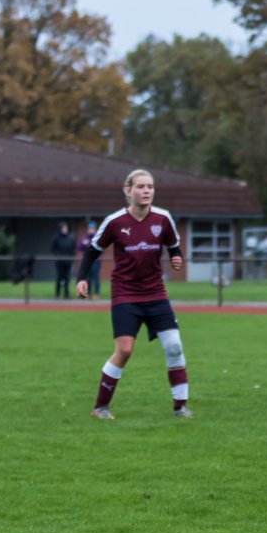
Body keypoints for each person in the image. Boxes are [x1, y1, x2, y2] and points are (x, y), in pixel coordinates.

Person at [76, 169, 192, 420]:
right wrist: (82, 278)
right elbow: (92, 251)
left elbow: (175, 248)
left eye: (150, 186)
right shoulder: (115, 222)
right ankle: (100, 408)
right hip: (125, 294)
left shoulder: (163, 218)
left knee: (174, 346)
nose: (146, 191)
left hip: (155, 293)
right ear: (128, 191)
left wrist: (176, 258)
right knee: (125, 350)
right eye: (140, 186)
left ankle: (180, 407)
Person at [51, 221, 76, 299]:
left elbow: (73, 248)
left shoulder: (70, 237)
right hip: (59, 262)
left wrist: (71, 257)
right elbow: (53, 249)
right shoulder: (56, 237)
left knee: (67, 278)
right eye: (64, 228)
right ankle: (57, 294)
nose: (65, 229)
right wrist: (59, 257)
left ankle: (66, 294)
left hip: (68, 261)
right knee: (59, 277)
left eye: (66, 228)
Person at [75, 221, 100, 299]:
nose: (91, 230)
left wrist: (88, 244)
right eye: (90, 228)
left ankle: (96, 294)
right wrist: (84, 244)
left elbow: (101, 249)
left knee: (95, 277)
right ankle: (88, 293)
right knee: (87, 278)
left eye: (93, 228)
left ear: (95, 229)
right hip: (87, 262)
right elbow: (78, 247)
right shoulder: (85, 237)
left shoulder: (97, 237)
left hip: (96, 261)